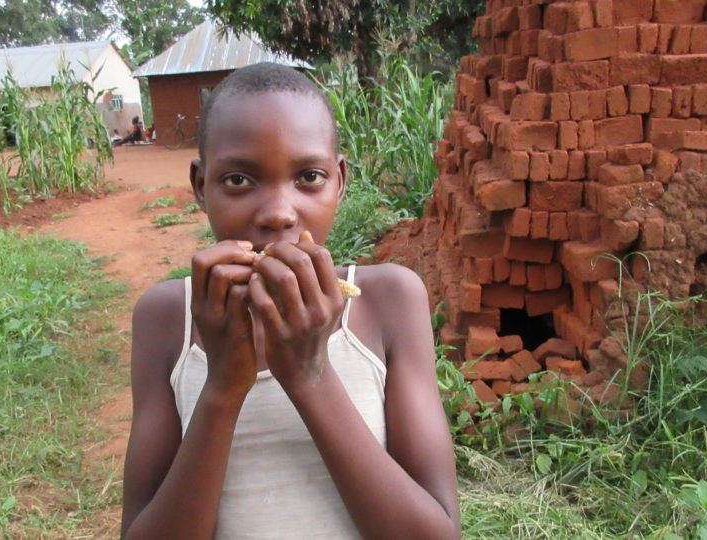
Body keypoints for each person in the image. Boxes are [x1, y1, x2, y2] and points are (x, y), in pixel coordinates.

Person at [121, 62, 459, 539]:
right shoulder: (166, 319)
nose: (278, 214)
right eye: (239, 180)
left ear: (340, 180)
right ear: (201, 186)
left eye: (309, 177)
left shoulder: (388, 301)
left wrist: (308, 372)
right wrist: (222, 383)